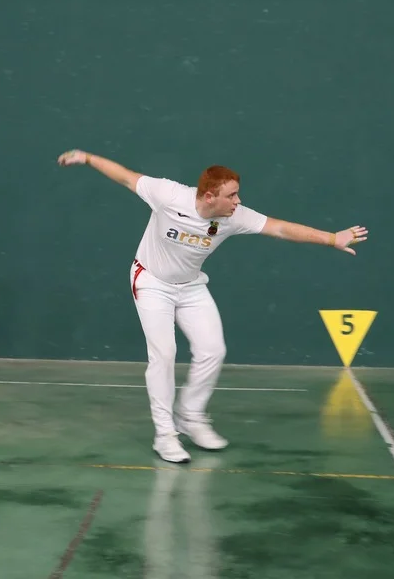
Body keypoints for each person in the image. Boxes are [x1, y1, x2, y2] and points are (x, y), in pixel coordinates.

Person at [56, 149, 368, 463]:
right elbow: (126, 177)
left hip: (191, 286)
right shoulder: (168, 195)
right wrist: (87, 158)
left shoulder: (235, 216)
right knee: (164, 354)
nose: (237, 201)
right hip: (152, 282)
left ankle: (190, 416)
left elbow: (279, 228)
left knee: (212, 350)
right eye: (231, 196)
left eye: (237, 194)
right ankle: (165, 435)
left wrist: (332, 238)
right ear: (209, 196)